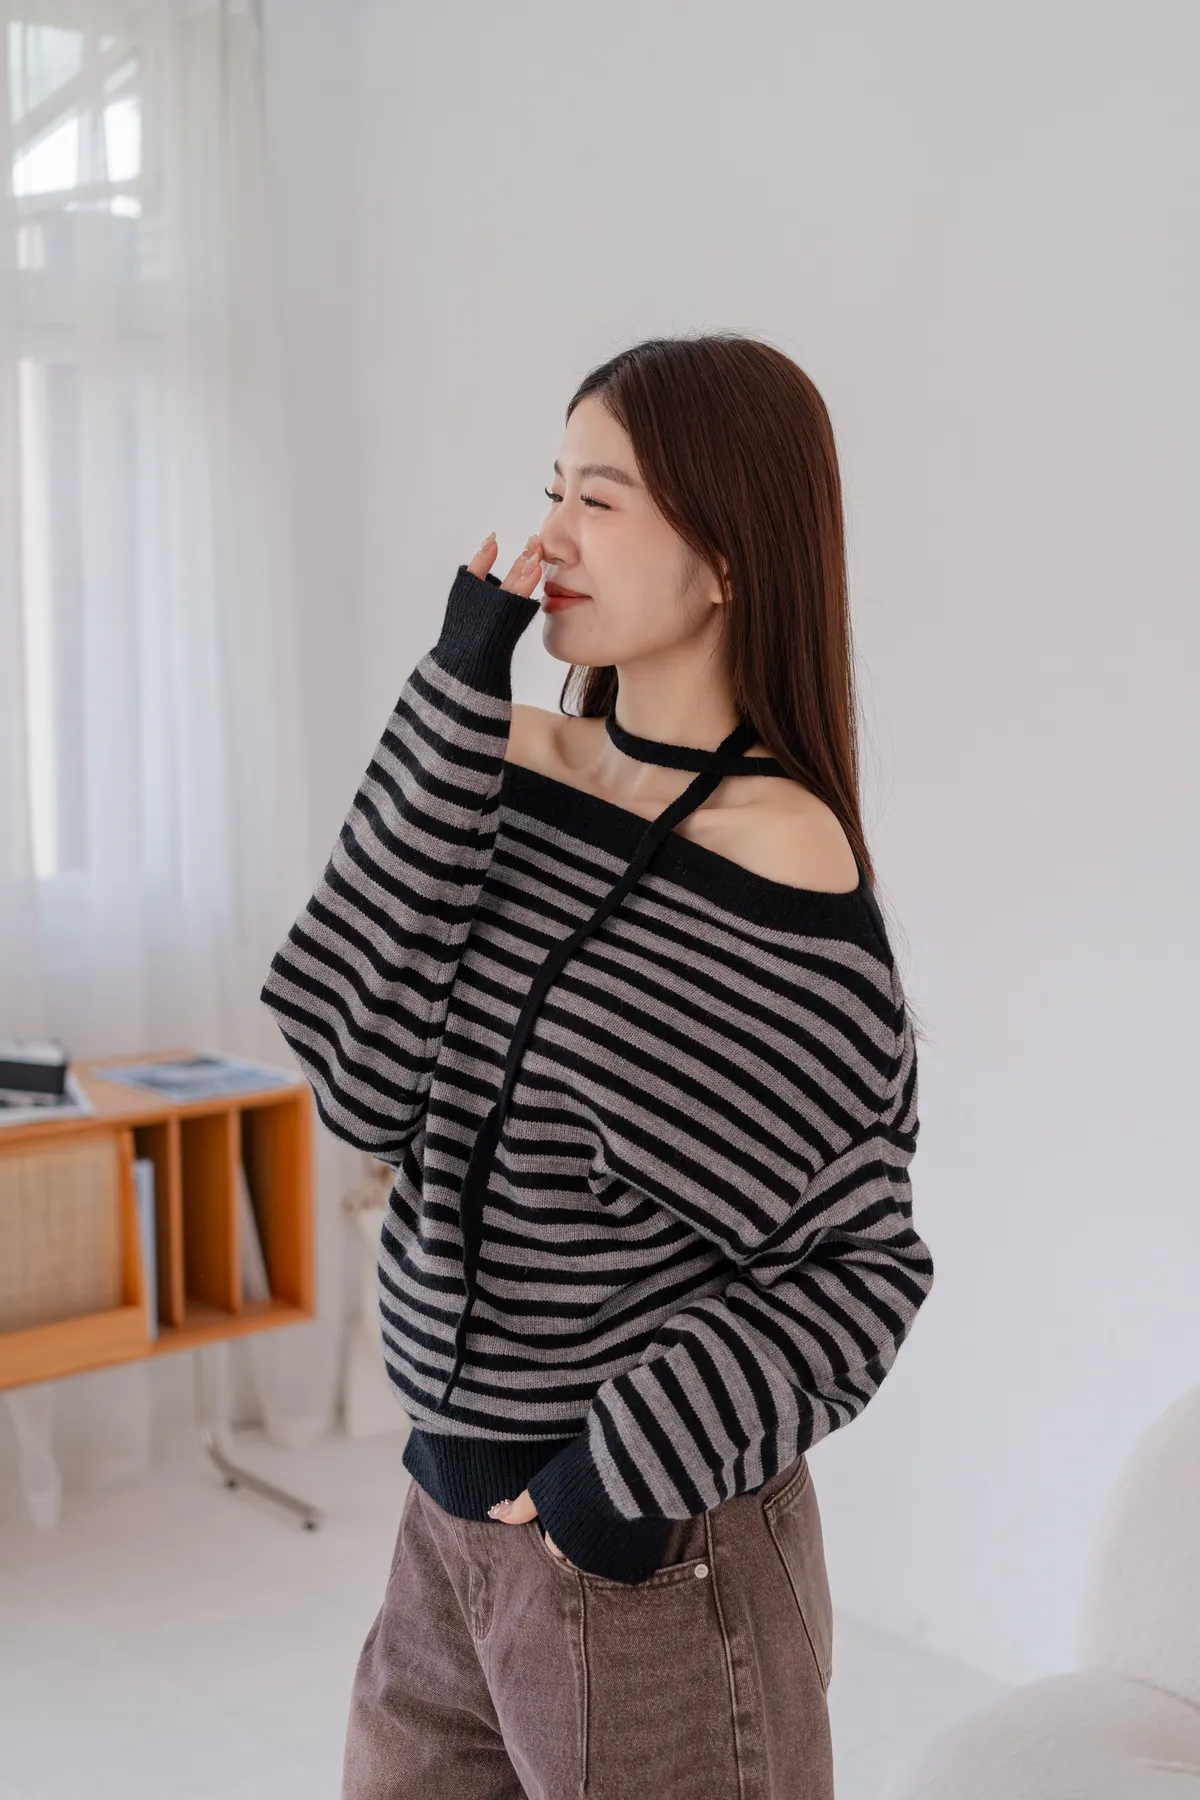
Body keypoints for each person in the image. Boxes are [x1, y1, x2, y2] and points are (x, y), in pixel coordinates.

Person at [261, 332, 935, 1800]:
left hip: (650, 1562)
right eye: (552, 486)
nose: (552, 533)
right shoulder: (496, 764)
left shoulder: (780, 876)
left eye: (602, 498)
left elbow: (857, 1270)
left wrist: (606, 1487)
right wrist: (454, 692)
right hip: (445, 1519)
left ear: (726, 557)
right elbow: (360, 1081)